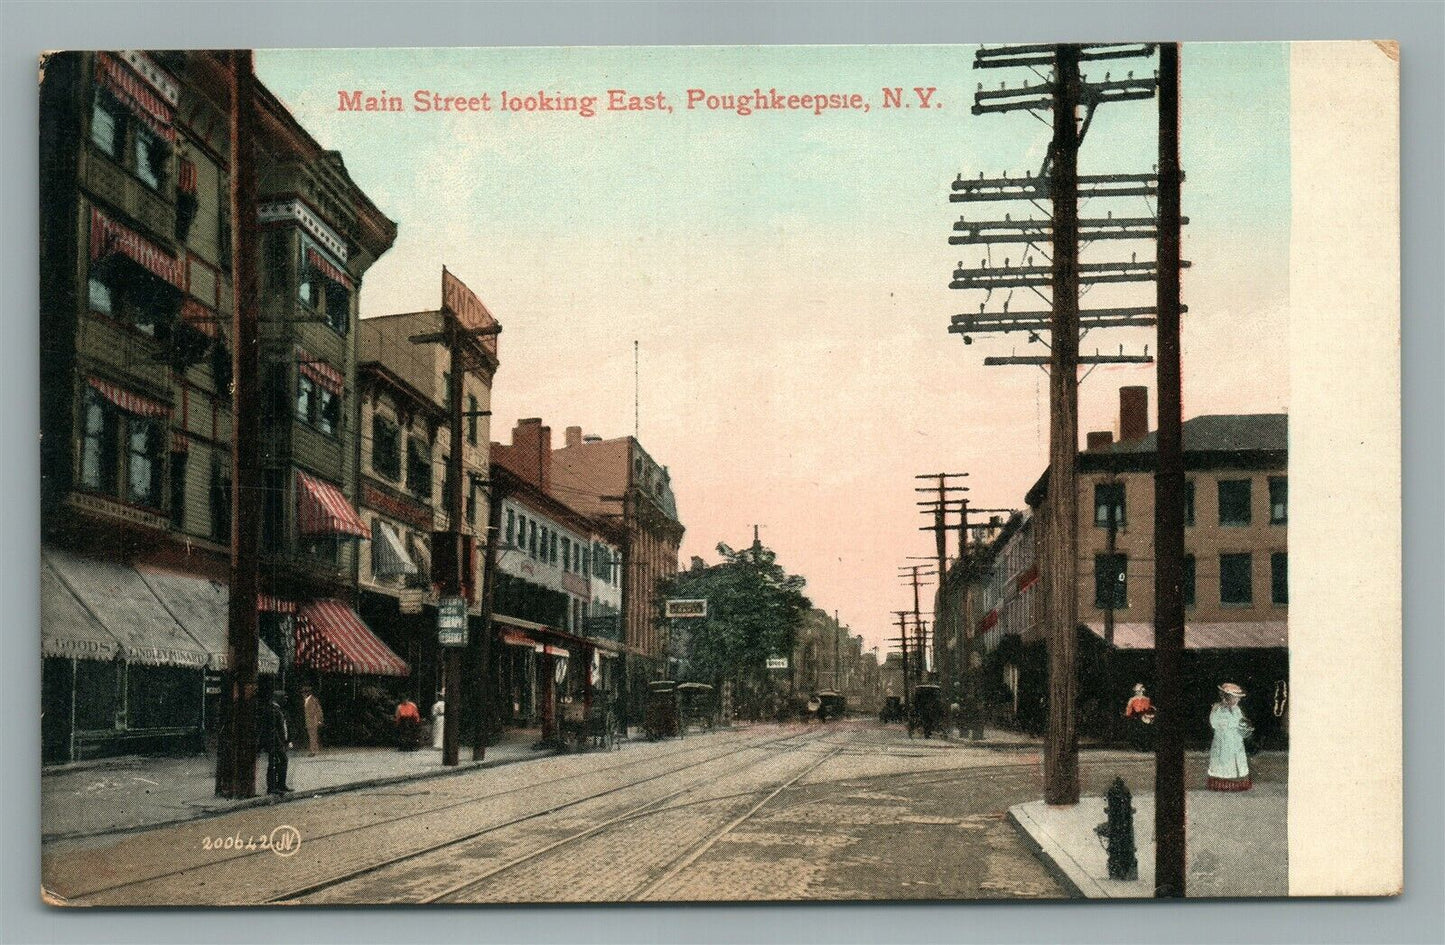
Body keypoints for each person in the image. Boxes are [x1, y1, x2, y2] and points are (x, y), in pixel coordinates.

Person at [1207, 682, 1253, 791]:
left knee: (1237, 759)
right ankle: (1222, 782)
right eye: (1235, 698)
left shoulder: (1237, 710)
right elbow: (1214, 723)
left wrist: (1244, 728)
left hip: (1236, 739)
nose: (1238, 700)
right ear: (1228, 697)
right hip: (1223, 740)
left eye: (1238, 698)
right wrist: (1229, 725)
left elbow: (1241, 721)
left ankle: (1238, 782)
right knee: (1224, 760)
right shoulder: (1217, 708)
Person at [265, 692, 292, 795]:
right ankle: (273, 787)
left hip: (279, 742)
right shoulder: (273, 710)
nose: (285, 700)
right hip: (274, 742)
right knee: (275, 763)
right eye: (284, 698)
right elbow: (273, 729)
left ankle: (280, 785)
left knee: (279, 762)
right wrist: (279, 742)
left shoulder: (278, 709)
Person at [1124, 683, 1155, 751]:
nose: (1140, 692)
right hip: (1136, 716)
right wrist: (1128, 715)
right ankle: (1140, 746)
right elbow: (1129, 709)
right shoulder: (1132, 699)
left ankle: (1145, 746)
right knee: (1139, 732)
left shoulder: (1147, 699)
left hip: (1145, 716)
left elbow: (1149, 707)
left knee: (1146, 732)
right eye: (1138, 691)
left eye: (1141, 691)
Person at [302, 686, 323, 757]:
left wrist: (319, 720)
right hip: (309, 721)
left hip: (312, 721)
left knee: (312, 736)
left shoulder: (312, 700)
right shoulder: (307, 700)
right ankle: (315, 750)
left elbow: (318, 710)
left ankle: (313, 751)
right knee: (312, 736)